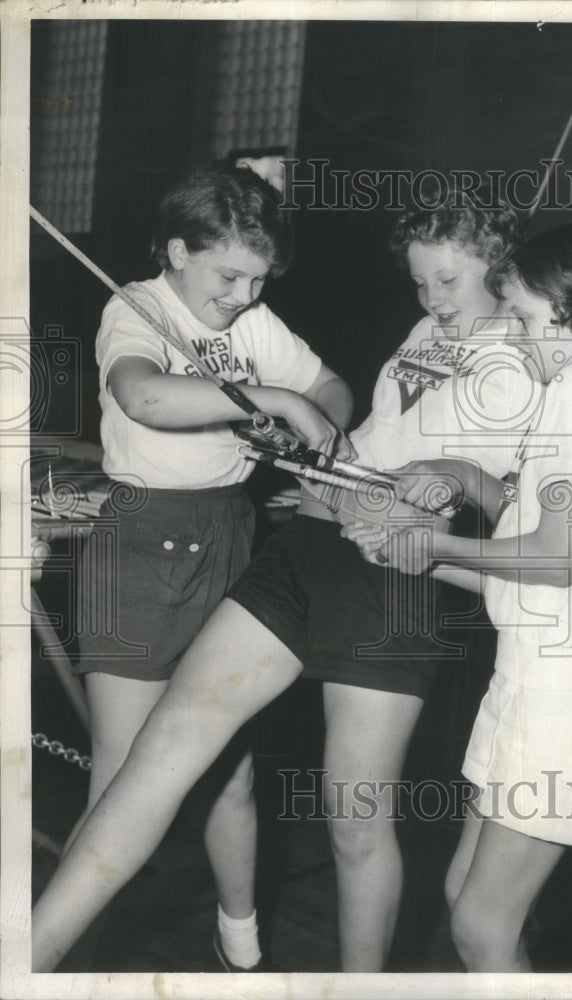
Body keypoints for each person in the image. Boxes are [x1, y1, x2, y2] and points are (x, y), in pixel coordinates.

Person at [32, 192, 538, 973]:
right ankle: (29, 957)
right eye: (419, 285)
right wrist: (326, 471)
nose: (431, 302)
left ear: (500, 275)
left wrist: (451, 490)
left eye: (447, 283)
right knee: (160, 748)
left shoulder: (534, 363)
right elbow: (365, 431)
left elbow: (515, 507)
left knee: (354, 821)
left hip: (387, 584)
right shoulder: (423, 331)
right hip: (305, 550)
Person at [60, 160, 354, 972]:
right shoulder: (137, 308)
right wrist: (268, 402)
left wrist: (313, 426)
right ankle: (64, 966)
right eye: (230, 275)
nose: (244, 297)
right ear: (178, 249)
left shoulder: (249, 322)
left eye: (258, 281)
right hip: (142, 540)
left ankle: (243, 949)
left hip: (230, 533)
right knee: (123, 780)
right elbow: (145, 397)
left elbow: (330, 386)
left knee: (229, 773)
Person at [344, 224, 572, 971]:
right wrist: (414, 553)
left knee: (482, 925)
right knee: (464, 899)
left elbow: (550, 557)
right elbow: (534, 568)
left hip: (566, 696)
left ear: (569, 307)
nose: (508, 334)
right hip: (527, 679)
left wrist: (440, 542)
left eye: (518, 315)